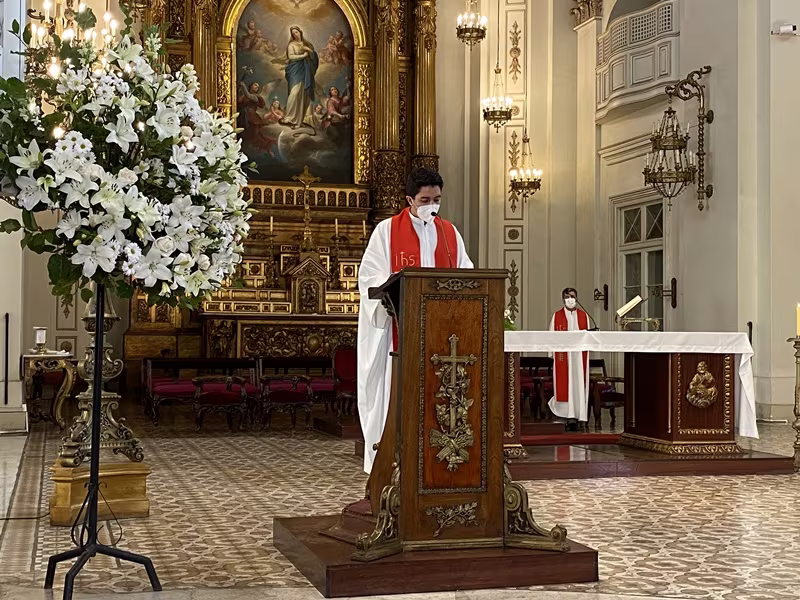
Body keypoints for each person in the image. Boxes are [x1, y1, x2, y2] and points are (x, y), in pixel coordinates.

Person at [357, 168, 473, 473]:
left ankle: (437, 461)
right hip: (401, 331)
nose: (432, 206)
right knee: (398, 397)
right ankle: (394, 460)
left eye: (437, 199)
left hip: (442, 335)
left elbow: (466, 274)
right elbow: (370, 278)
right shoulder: (387, 231)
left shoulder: (449, 233)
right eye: (425, 200)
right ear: (409, 199)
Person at [548, 288, 590, 431]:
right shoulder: (557, 316)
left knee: (578, 385)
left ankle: (578, 415)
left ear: (577, 298)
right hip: (563, 357)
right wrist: (552, 354)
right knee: (565, 384)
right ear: (563, 299)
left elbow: (588, 336)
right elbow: (551, 336)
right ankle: (564, 415)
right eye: (567, 297)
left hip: (578, 357)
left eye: (572, 296)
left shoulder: (584, 316)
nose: (570, 299)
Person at [282, 26, 319, 129]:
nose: (295, 34)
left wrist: (309, 51)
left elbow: (314, 58)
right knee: (294, 93)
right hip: (295, 70)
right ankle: (289, 117)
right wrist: (303, 56)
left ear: (300, 32)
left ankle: (299, 121)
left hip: (306, 71)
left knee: (304, 95)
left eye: (296, 32)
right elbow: (291, 57)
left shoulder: (307, 44)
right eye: (293, 33)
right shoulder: (291, 45)